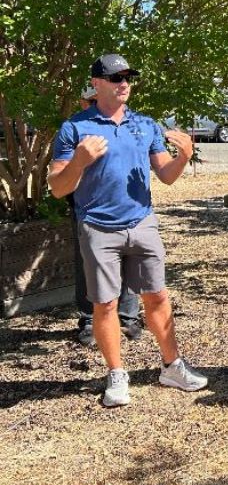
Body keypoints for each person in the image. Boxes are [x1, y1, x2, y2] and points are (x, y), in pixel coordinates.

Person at [48, 53, 208, 407]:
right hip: (98, 228)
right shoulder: (75, 128)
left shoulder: (145, 125)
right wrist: (79, 160)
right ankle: (117, 376)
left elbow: (165, 175)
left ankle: (172, 366)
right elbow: (58, 187)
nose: (124, 83)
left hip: (142, 223)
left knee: (158, 296)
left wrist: (183, 156)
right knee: (104, 305)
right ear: (96, 84)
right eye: (115, 77)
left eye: (127, 77)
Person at [73, 86, 141, 346]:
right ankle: (89, 320)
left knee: (130, 261)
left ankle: (128, 317)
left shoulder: (129, 124)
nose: (94, 104)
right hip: (89, 211)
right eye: (89, 100)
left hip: (128, 207)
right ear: (82, 102)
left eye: (97, 99)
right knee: (87, 265)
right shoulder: (76, 129)